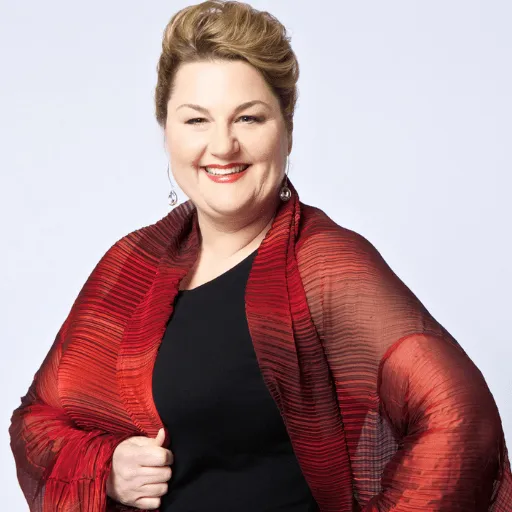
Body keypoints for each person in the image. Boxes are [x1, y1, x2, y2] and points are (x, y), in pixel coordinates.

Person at [9, 1, 512, 511]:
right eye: (196, 120)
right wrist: (106, 468)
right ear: (166, 130)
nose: (222, 145)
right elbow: (37, 420)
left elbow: (459, 417)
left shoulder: (326, 265)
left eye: (248, 118)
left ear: (286, 128)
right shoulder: (131, 265)